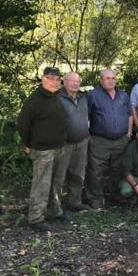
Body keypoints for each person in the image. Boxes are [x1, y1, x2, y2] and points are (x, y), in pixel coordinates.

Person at [17, 66, 69, 231]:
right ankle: (36, 218)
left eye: (57, 79)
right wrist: (27, 144)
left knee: (56, 182)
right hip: (43, 150)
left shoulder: (55, 96)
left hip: (59, 147)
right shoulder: (34, 100)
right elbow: (23, 125)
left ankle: (55, 210)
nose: (55, 82)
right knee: (42, 184)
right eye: (51, 78)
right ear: (43, 79)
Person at [85, 69, 133, 209]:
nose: (110, 80)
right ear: (101, 80)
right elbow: (85, 116)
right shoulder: (92, 95)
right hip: (99, 140)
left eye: (113, 78)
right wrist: (87, 134)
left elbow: (129, 114)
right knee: (96, 170)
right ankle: (96, 197)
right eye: (107, 78)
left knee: (117, 169)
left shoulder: (123, 95)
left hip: (121, 140)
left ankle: (114, 194)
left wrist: (129, 132)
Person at [52, 72, 91, 212]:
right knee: (59, 175)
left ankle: (74, 202)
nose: (75, 84)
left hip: (82, 142)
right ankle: (55, 206)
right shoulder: (57, 97)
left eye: (77, 81)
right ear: (65, 82)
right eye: (72, 81)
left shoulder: (83, 98)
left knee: (78, 174)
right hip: (64, 144)